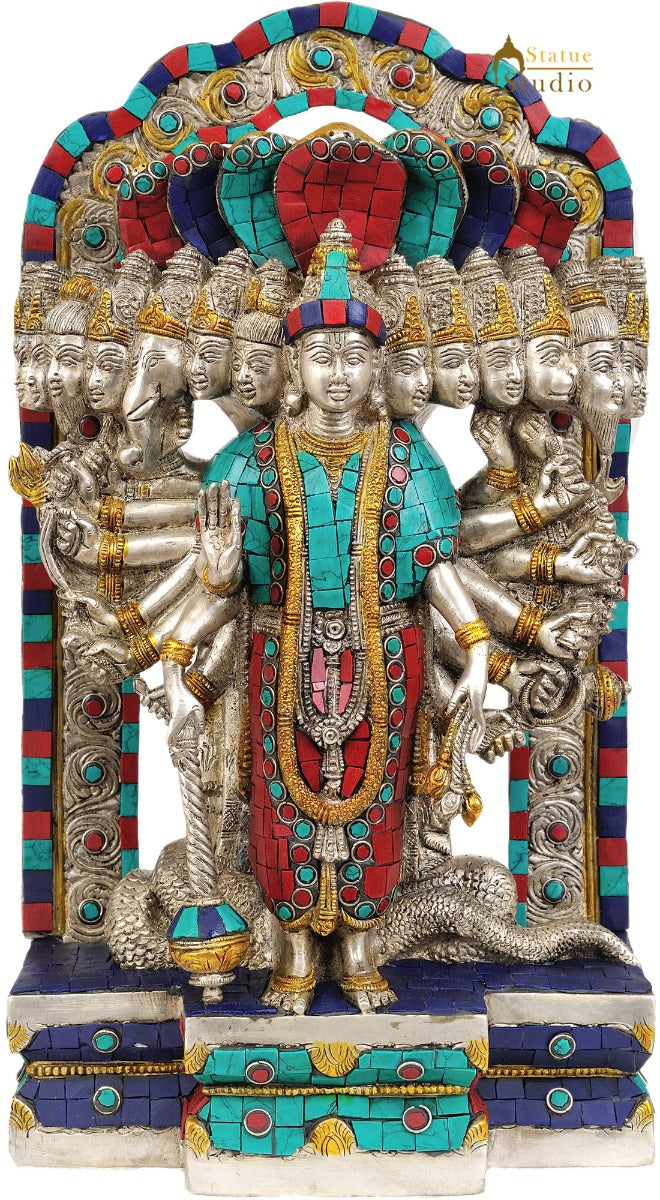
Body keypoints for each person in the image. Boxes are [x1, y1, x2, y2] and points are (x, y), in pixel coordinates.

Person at [161, 221, 489, 1013]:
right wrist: (188, 633)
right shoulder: (251, 463)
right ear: (294, 367)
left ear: (376, 368)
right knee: (282, 802)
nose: (338, 374)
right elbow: (222, 587)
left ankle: (365, 949)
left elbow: (435, 569)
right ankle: (297, 954)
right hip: (280, 653)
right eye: (321, 356)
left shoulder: (406, 459)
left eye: (353, 357)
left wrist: (477, 653)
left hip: (388, 653)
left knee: (378, 803)